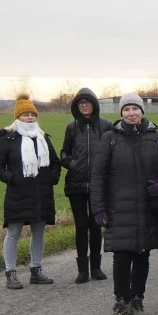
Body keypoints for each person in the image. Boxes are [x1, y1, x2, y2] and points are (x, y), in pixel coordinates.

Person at [91, 93, 158, 315]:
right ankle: (121, 303)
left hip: (148, 207)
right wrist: (98, 208)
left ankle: (137, 301)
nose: (132, 113)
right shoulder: (110, 139)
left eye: (135, 109)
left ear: (142, 111)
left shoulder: (156, 137)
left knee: (142, 255)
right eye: (127, 109)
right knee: (121, 257)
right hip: (119, 208)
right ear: (121, 113)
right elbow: (98, 176)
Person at [0, 94, 62, 290]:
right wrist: (13, 179)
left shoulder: (43, 137)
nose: (29, 118)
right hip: (18, 193)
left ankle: (36, 271)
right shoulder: (8, 138)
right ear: (17, 117)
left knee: (38, 232)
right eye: (25, 115)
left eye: (32, 114)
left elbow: (55, 163)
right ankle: (10, 273)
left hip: (42, 193)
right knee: (13, 233)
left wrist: (52, 178)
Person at [60, 88, 113, 283]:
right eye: (80, 102)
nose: (84, 105)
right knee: (81, 226)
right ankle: (82, 270)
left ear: (94, 104)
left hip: (99, 185)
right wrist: (72, 165)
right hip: (77, 184)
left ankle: (96, 268)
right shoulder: (72, 127)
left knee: (96, 225)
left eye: (87, 102)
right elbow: (64, 153)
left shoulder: (106, 125)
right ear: (76, 106)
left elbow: (112, 151)